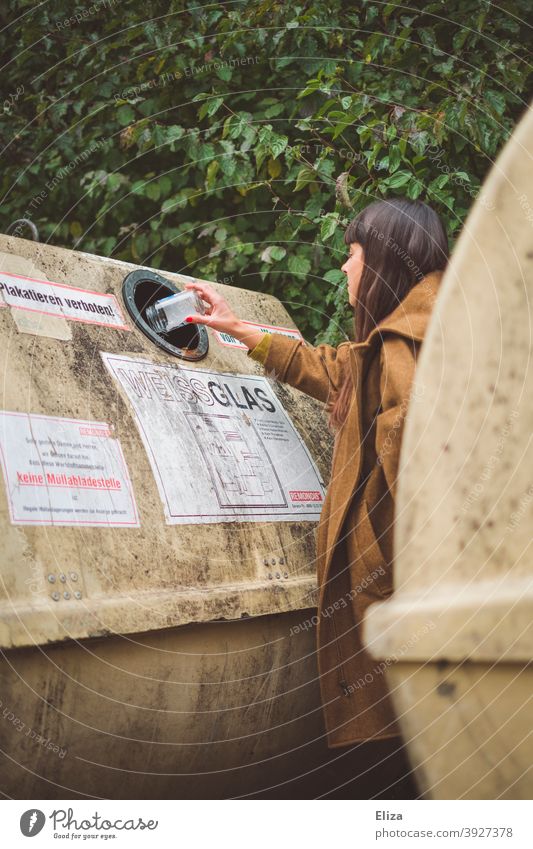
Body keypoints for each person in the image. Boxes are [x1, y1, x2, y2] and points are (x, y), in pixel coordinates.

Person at [184, 197, 449, 798]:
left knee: (398, 776)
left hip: (400, 611)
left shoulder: (408, 352)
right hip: (404, 613)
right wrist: (237, 327)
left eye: (352, 254)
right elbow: (336, 370)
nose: (343, 268)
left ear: (381, 261)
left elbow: (433, 494)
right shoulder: (409, 336)